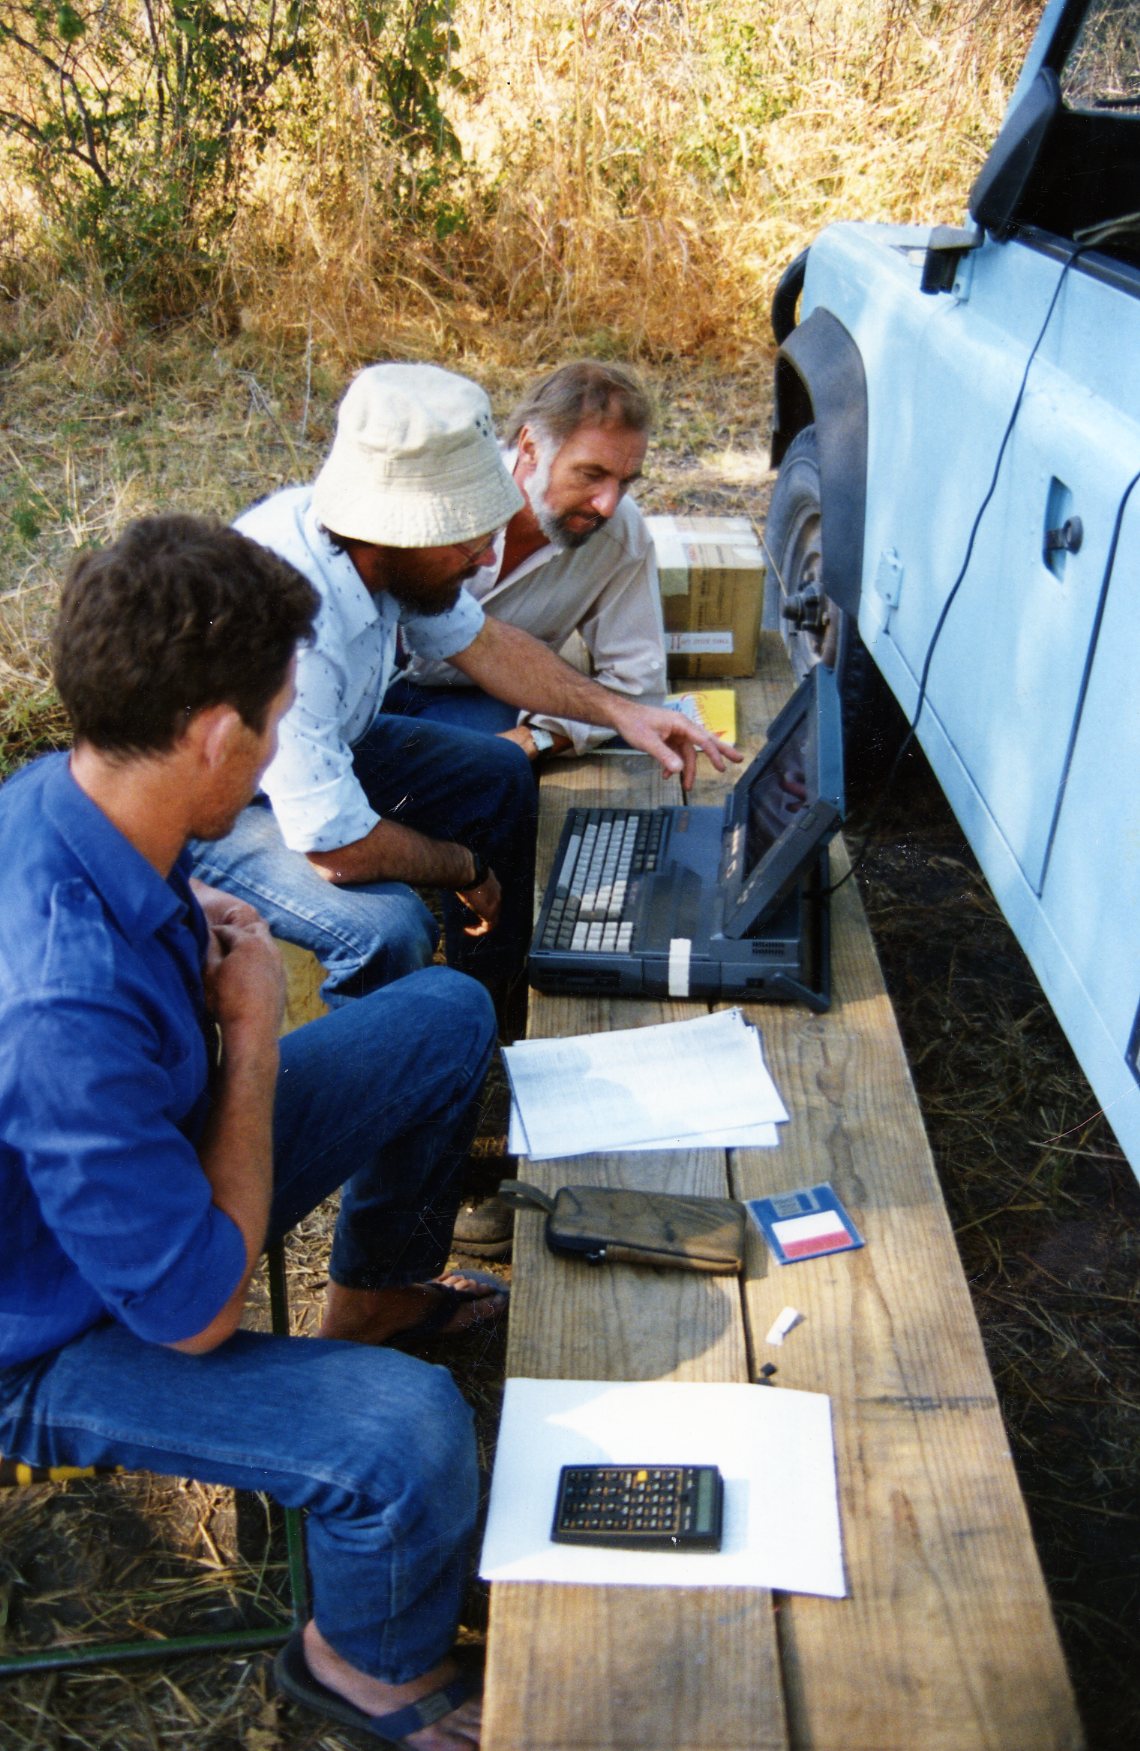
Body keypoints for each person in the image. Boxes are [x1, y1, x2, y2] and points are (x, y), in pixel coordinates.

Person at [0, 515, 507, 1746]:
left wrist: (194, 911)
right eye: (278, 719)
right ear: (220, 737)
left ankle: (376, 1292)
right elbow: (192, 1312)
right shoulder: (61, 1006)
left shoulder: (66, 791)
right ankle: (361, 1662)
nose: (282, 744)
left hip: (143, 1185)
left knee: (444, 1015)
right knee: (406, 1433)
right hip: (48, 1326)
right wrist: (257, 1031)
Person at [189, 362, 737, 1018]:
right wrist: (464, 868)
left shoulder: (387, 554)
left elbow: (485, 644)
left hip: (326, 744)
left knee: (499, 771)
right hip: (215, 810)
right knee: (389, 928)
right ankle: (378, 1068)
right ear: (398, 528)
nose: (483, 556)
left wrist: (622, 711)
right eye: (463, 537)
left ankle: (493, 1014)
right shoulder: (295, 627)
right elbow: (334, 847)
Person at [384, 360, 666, 759]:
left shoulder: (619, 534)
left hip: (471, 700)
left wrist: (537, 739)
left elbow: (637, 689)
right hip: (361, 677)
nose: (606, 504)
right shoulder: (442, 488)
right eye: (590, 475)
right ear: (531, 448)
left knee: (490, 771)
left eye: (624, 482)